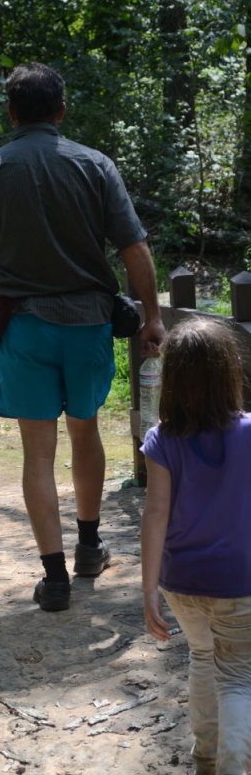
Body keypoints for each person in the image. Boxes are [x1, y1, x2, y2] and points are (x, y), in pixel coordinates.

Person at [0, 62, 164, 612]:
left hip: (26, 325)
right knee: (86, 430)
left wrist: (1, 295)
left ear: (11, 112)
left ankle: (53, 580)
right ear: (62, 110)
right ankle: (90, 547)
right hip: (90, 322)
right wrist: (151, 316)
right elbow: (134, 248)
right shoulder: (94, 165)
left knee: (37, 451)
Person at [141, 317, 251, 775]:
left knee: (203, 657)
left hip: (181, 582)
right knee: (239, 676)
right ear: (230, 373)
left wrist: (149, 589)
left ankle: (206, 756)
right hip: (239, 582)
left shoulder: (162, 439)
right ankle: (233, 763)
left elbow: (155, 515)